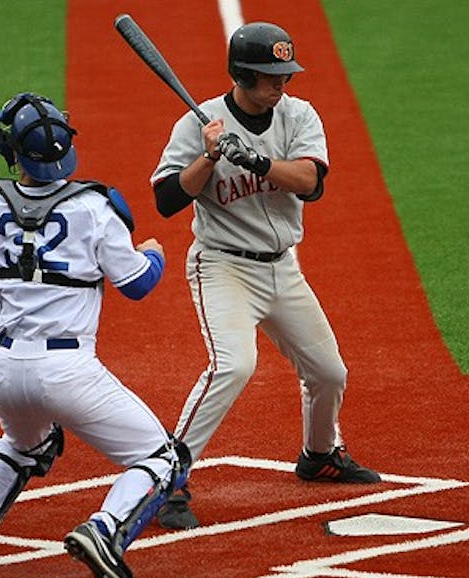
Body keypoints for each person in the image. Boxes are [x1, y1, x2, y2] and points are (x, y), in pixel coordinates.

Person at [0, 91, 189, 578]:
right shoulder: (95, 208)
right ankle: (105, 532)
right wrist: (153, 254)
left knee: (27, 445)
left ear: (14, 153)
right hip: (69, 370)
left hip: (6, 370)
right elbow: (137, 285)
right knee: (165, 457)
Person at [149, 21, 382, 530]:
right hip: (222, 266)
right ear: (241, 75)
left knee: (329, 373)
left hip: (283, 268)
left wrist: (255, 160)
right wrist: (209, 159)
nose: (282, 85)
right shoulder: (199, 124)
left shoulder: (299, 115)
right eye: (270, 76)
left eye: (285, 74)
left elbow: (311, 182)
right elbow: (167, 199)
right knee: (232, 367)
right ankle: (167, 480)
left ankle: (319, 455)